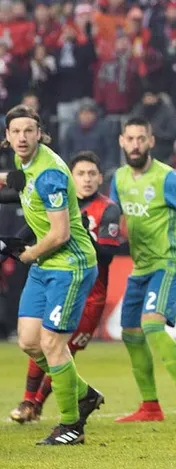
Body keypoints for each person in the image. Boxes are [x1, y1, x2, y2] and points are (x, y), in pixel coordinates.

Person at [0, 105, 104, 445]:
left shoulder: (51, 174)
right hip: (46, 265)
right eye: (16, 131)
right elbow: (17, 181)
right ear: (7, 136)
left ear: (40, 134)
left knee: (51, 343)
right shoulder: (24, 162)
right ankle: (85, 394)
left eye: (29, 131)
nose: (22, 137)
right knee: (29, 342)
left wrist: (28, 254)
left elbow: (60, 234)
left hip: (70, 264)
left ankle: (71, 426)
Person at [110, 117, 176, 424]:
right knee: (130, 335)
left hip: (167, 263)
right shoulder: (118, 178)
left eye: (141, 139)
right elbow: (114, 219)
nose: (135, 145)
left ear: (151, 142)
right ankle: (150, 407)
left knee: (152, 326)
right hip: (139, 267)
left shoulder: (167, 177)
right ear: (122, 142)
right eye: (130, 139)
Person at [9, 151, 122, 424]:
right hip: (58, 280)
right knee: (40, 341)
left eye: (92, 174)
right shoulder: (57, 201)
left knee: (56, 346)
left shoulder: (108, 209)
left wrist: (82, 233)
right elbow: (31, 228)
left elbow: (108, 255)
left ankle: (47, 408)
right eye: (81, 174)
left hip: (91, 294)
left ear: (100, 178)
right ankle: (32, 401)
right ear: (71, 177)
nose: (87, 179)